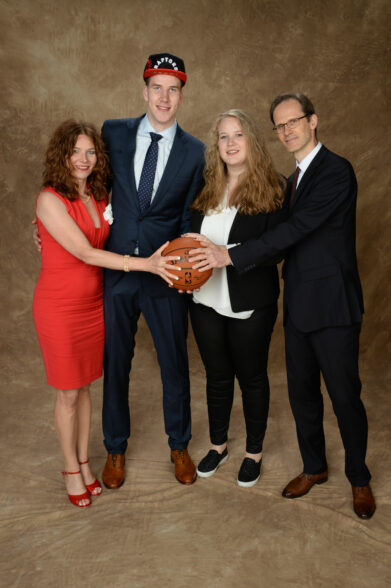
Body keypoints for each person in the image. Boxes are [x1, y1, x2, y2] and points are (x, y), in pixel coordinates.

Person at [188, 94, 375, 519]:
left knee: (345, 396)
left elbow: (295, 230)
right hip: (298, 304)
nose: (288, 130)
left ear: (314, 121)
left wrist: (229, 255)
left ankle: (359, 477)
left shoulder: (335, 171)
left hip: (334, 307)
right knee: (302, 394)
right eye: (281, 125)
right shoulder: (291, 181)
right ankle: (314, 468)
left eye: (295, 122)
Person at [33, 120, 182, 508]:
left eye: (90, 152)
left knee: (83, 389)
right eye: (75, 152)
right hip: (60, 308)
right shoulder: (49, 199)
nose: (83, 159)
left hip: (91, 305)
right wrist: (144, 265)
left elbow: (113, 227)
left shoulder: (98, 197)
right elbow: (84, 252)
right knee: (67, 394)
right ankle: (70, 470)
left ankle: (84, 463)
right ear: (61, 156)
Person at [100, 53, 204, 488]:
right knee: (116, 362)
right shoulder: (113, 132)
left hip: (165, 275)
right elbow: (90, 188)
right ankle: (115, 448)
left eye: (173, 89)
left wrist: (182, 269)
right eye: (156, 88)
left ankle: (179, 444)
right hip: (120, 267)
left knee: (174, 364)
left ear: (181, 96)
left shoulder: (195, 151)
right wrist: (51, 226)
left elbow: (189, 216)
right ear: (144, 92)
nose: (164, 97)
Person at [186, 109, 287, 487]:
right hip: (204, 298)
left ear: (252, 142)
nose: (230, 143)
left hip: (250, 301)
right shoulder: (206, 186)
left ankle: (253, 452)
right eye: (223, 137)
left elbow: (275, 249)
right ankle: (218, 445)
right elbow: (189, 238)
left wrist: (226, 252)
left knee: (252, 378)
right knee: (216, 377)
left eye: (238, 135)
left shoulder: (274, 187)